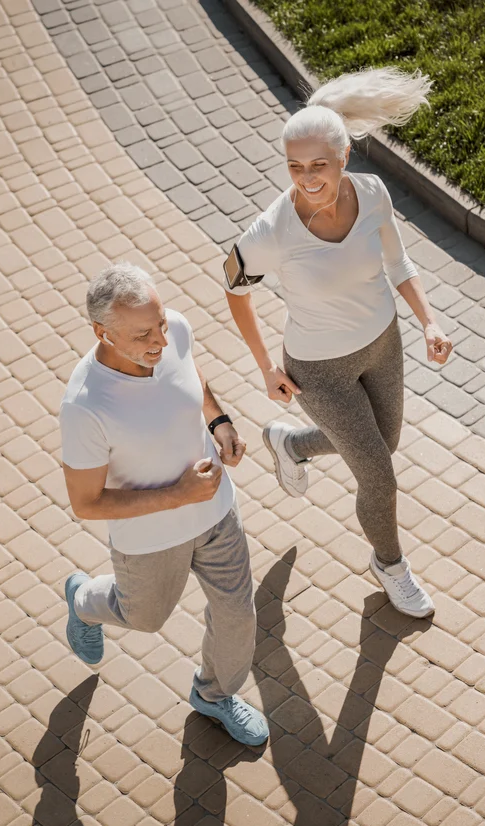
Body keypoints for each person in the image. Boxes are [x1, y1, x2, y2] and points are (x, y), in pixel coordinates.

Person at [223, 67, 453, 619]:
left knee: (384, 443)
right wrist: (264, 368)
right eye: (295, 167)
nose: (306, 178)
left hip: (383, 343)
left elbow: (398, 263)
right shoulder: (273, 231)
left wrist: (429, 322)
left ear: (344, 156)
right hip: (317, 369)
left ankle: (293, 445)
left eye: (318, 166)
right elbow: (232, 285)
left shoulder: (372, 194)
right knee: (378, 472)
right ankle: (389, 563)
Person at [57, 263, 267, 747]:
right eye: (142, 335)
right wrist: (177, 495)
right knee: (145, 619)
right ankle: (85, 600)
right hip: (150, 540)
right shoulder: (85, 405)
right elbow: (85, 503)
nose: (159, 341)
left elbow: (190, 375)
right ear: (101, 333)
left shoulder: (174, 331)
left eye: (161, 325)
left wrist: (220, 423)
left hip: (215, 513)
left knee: (238, 613)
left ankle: (214, 695)